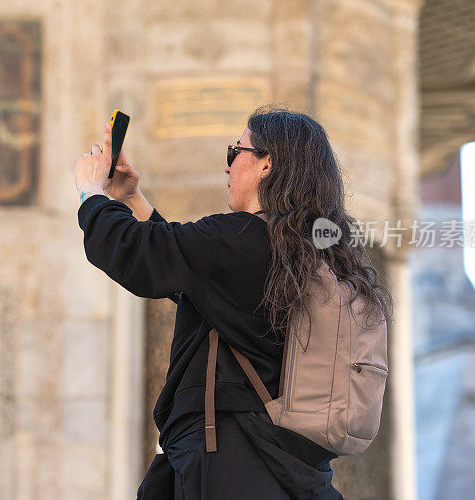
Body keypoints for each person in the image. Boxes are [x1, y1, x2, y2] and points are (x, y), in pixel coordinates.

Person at [74, 106, 392, 499]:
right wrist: (131, 197)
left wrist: (91, 192)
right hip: (280, 465)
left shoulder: (238, 239)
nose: (227, 167)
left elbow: (132, 252)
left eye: (234, 152)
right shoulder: (306, 253)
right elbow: (192, 276)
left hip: (226, 463)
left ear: (266, 164)